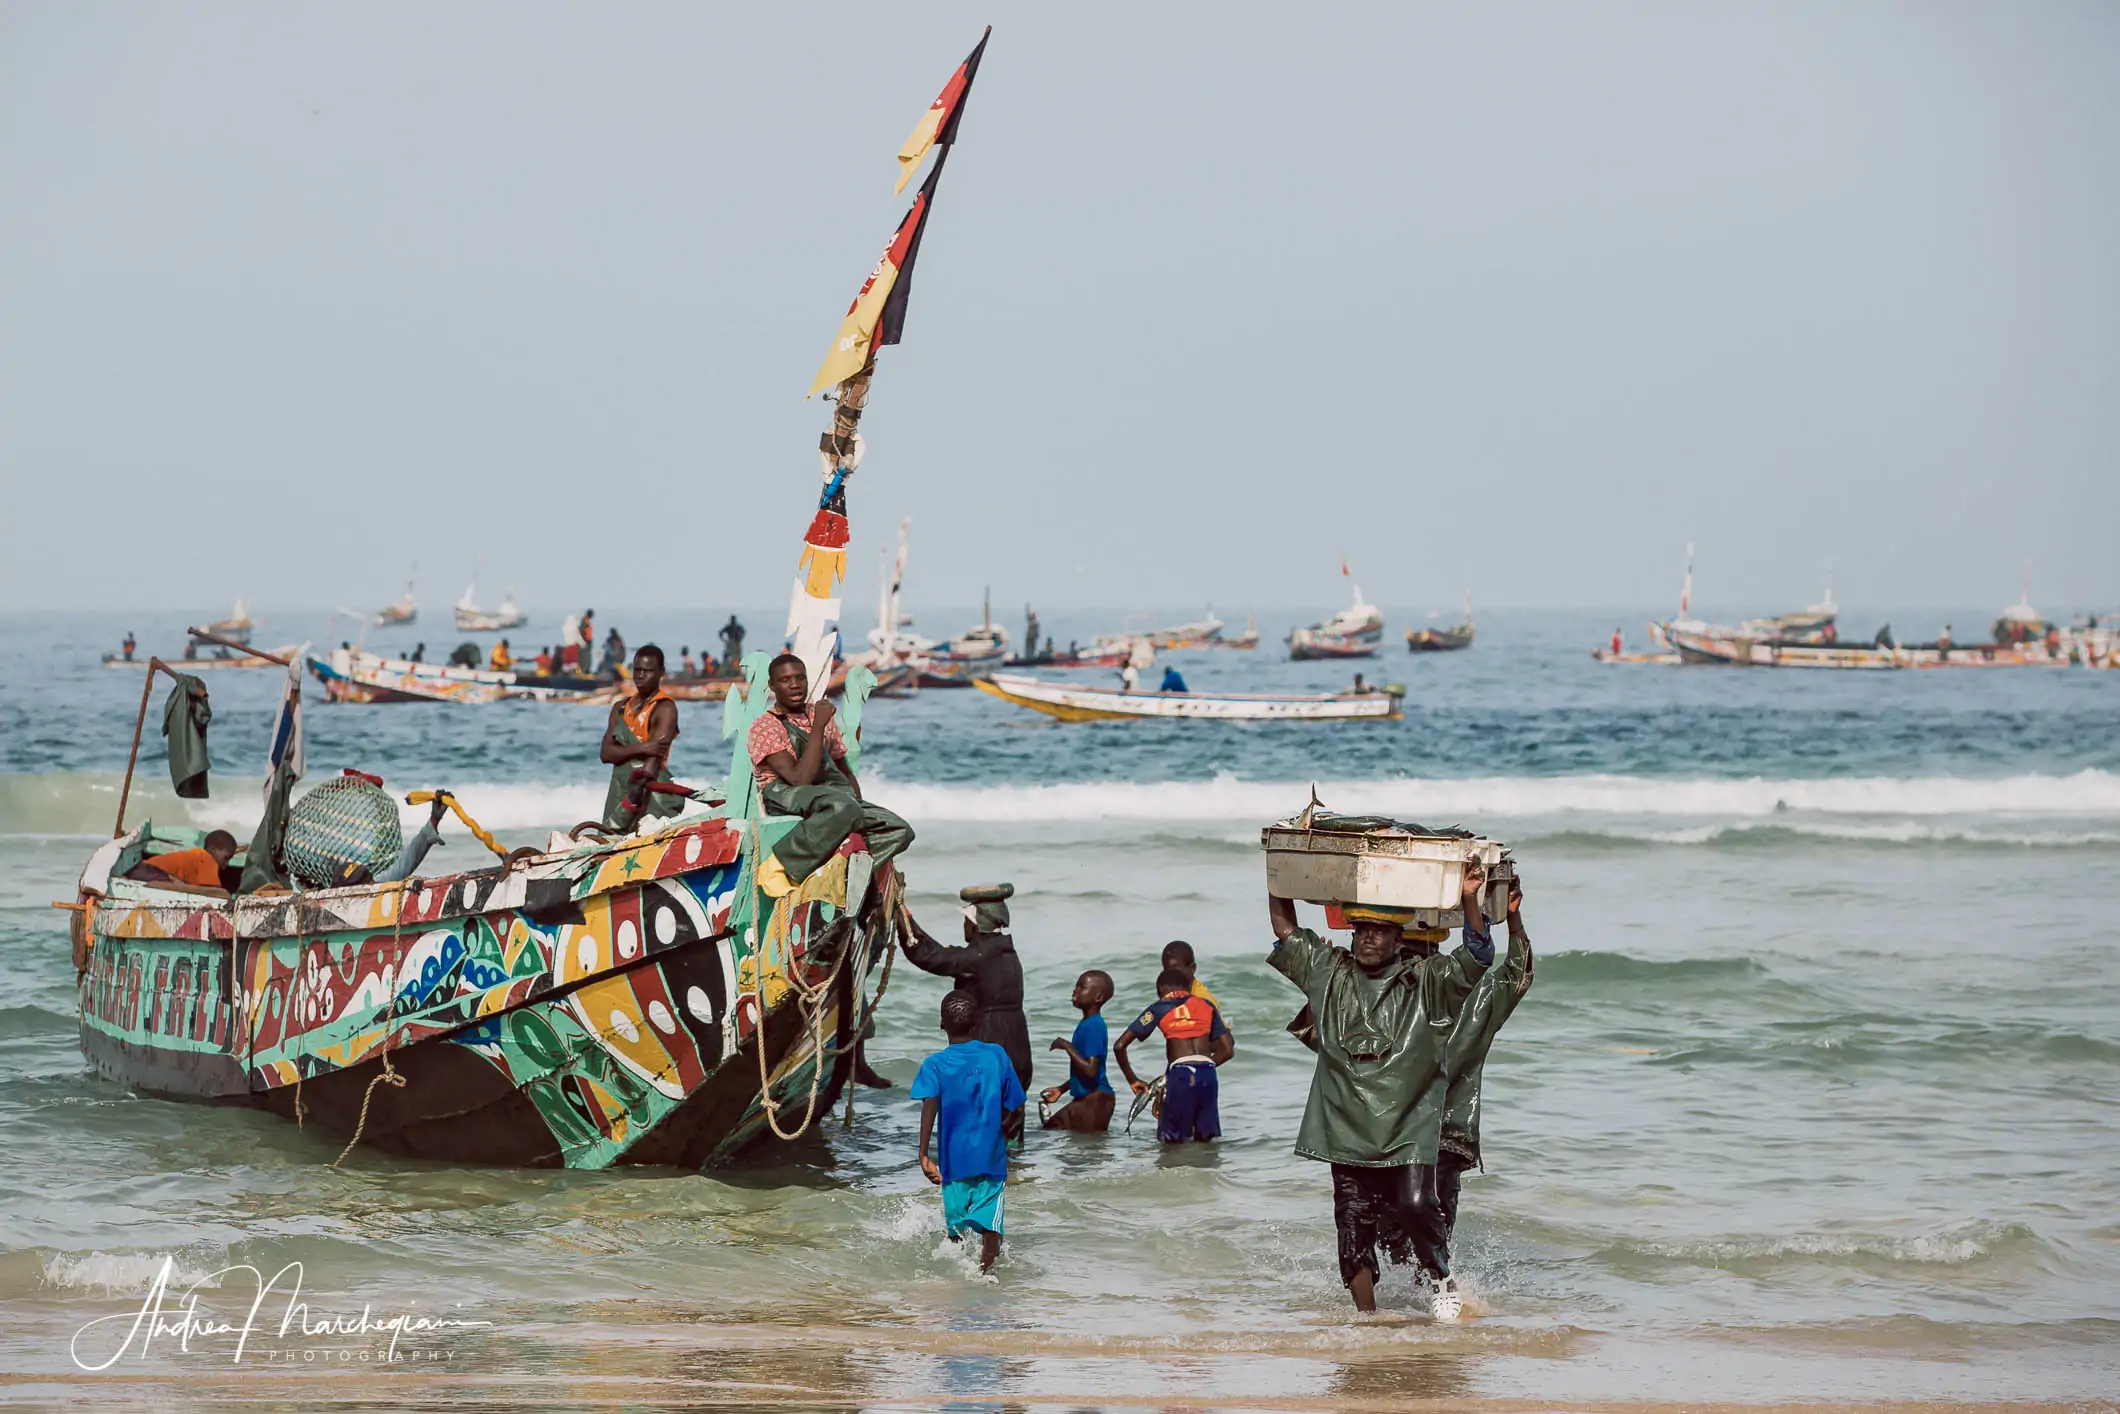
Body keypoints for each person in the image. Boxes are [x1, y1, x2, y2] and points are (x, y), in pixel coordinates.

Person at [1267, 866, 1495, 1321]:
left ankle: (1441, 1276)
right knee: (1352, 1227)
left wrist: (1470, 896)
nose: (1368, 939)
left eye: (1379, 931)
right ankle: (1368, 1322)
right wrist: (1277, 877)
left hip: (1408, 1124)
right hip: (1345, 1126)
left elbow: (1479, 954)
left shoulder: (1429, 983)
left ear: (1398, 939)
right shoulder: (1329, 975)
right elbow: (1287, 931)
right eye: (1361, 930)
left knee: (1416, 1204)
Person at [747, 653, 915, 893]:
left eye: (800, 678)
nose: (794, 684)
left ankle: (843, 874)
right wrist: (818, 727)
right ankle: (778, 864)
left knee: (899, 829)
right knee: (842, 808)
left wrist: (856, 806)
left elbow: (844, 771)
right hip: (784, 793)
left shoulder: (819, 715)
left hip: (828, 795)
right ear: (772, 686)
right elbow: (798, 779)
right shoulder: (765, 726)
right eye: (785, 680)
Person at [1437, 877, 1534, 1255]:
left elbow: (1517, 974)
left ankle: (1428, 1302)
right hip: (1405, 1132)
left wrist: (1513, 917)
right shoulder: (1398, 987)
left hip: (1443, 1132)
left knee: (1432, 1225)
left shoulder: (1480, 999)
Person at [901, 884, 1032, 1124]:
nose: (964, 926)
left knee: (980, 1121)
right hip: (1018, 1047)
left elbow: (930, 957)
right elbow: (944, 954)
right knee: (1009, 1123)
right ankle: (1012, 1161)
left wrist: (903, 921)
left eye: (966, 921)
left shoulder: (978, 957)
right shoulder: (1004, 953)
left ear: (975, 924)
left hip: (991, 1042)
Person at [914, 989, 1024, 1273]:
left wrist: (923, 1154)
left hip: (954, 1162)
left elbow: (930, 1106)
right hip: (991, 1160)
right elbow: (1016, 1103)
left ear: (941, 1024)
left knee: (955, 1235)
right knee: (991, 1234)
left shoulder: (935, 1064)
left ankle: (953, 1285)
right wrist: (1004, 1135)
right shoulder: (996, 1055)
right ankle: (984, 1279)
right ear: (978, 1023)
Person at [1114, 967, 1233, 1143]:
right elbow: (1227, 1050)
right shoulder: (1207, 1006)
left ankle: (1172, 1170)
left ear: (1160, 988)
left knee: (1172, 1141)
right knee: (1205, 1140)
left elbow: (1119, 1045)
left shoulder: (1159, 1008)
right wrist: (1201, 1067)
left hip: (1181, 1073)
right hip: (1208, 1073)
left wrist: (1132, 1080)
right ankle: (1207, 1170)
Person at [600, 645, 682, 830]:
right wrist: (642, 748)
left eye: (648, 671)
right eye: (637, 670)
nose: (640, 676)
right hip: (619, 788)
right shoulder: (620, 707)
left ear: (661, 672)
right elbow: (605, 753)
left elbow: (651, 766)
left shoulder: (664, 708)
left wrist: (626, 811)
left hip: (649, 793)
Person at [1041, 969, 1116, 1132]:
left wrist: (1067, 1046)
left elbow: (1090, 1070)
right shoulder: (1086, 1023)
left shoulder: (1094, 1025)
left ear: (1098, 998)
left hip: (1096, 1099)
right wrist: (1061, 1089)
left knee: (1085, 1151)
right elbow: (1085, 1071)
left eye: (1082, 987)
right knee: (1051, 1128)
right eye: (1076, 986)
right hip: (1089, 1097)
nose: (1075, 990)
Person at [125, 830, 239, 890]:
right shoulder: (208, 860)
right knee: (175, 887)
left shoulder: (198, 857)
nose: (226, 865)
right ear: (213, 850)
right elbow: (214, 892)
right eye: (226, 858)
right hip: (149, 871)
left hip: (140, 869)